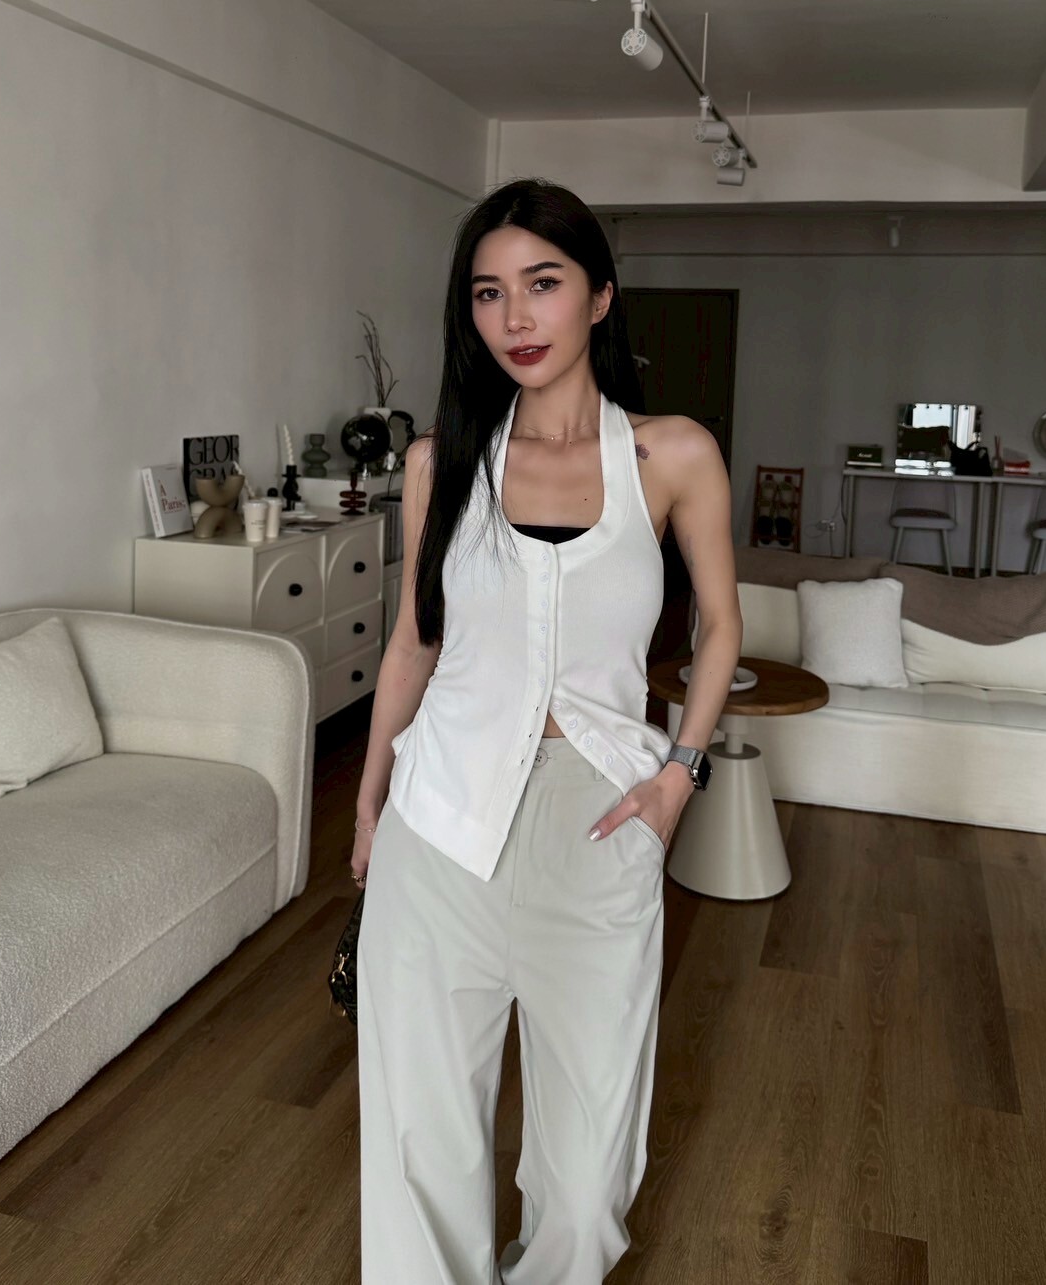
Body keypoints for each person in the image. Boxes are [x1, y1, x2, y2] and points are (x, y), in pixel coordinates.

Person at [352, 177, 742, 1284]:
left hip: (600, 822)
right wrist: (371, 805)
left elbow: (721, 626)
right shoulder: (439, 465)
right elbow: (413, 646)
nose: (515, 317)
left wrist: (679, 775)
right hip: (441, 821)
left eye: (543, 283)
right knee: (421, 1138)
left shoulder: (671, 454)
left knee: (584, 1175)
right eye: (488, 292)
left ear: (600, 297)